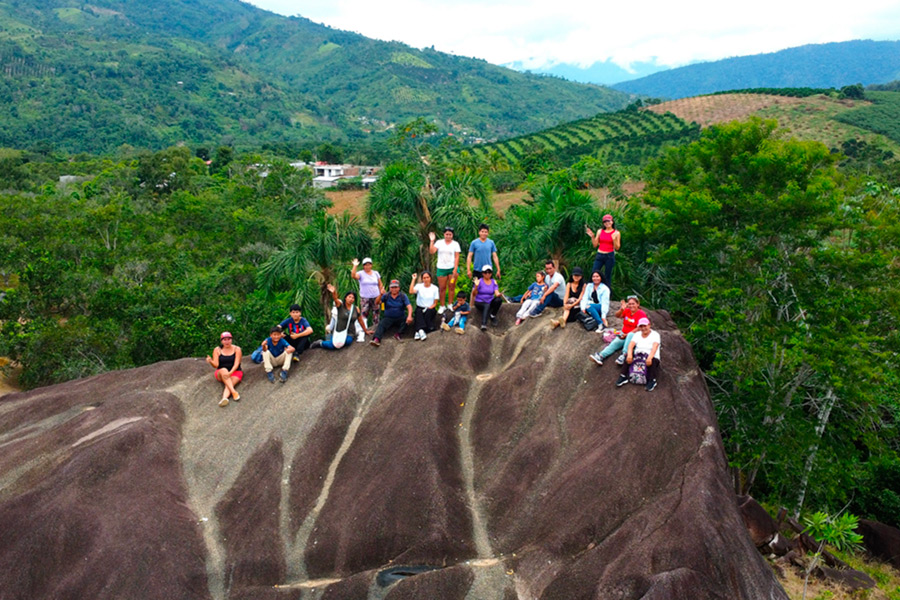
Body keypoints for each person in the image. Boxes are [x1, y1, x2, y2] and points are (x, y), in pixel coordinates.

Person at [589, 295, 648, 366]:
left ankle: (624, 354)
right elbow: (617, 315)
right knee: (615, 343)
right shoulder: (627, 311)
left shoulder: (641, 314)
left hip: (634, 336)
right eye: (629, 304)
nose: (631, 306)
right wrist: (622, 309)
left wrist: (626, 335)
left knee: (630, 335)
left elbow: (640, 327)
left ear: (638, 304)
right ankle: (601, 356)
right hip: (624, 333)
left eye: (633, 304)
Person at [313, 285, 370, 350]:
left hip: (350, 333)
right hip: (339, 331)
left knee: (348, 341)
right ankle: (321, 343)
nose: (351, 299)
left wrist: (366, 331)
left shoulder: (356, 309)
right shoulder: (340, 306)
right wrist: (334, 292)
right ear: (345, 298)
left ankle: (325, 342)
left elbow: (360, 320)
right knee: (333, 346)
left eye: (353, 298)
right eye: (349, 297)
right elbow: (336, 300)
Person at [615, 317, 661, 392]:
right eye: (641, 326)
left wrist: (649, 358)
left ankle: (652, 380)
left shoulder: (655, 335)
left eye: (645, 326)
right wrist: (629, 354)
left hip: (650, 355)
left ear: (649, 325)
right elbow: (631, 345)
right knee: (627, 357)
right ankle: (623, 376)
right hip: (638, 355)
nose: (643, 328)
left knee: (653, 361)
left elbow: (655, 347)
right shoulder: (637, 334)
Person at [370, 279, 413, 346]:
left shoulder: (403, 296)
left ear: (399, 288)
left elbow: (409, 306)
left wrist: (409, 316)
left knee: (407, 320)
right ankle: (377, 339)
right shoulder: (386, 296)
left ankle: (398, 334)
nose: (394, 289)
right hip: (388, 318)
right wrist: (381, 294)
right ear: (390, 288)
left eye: (395, 287)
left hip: (400, 317)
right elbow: (377, 302)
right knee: (381, 324)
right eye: (392, 287)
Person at [351, 257, 385, 343]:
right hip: (365, 297)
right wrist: (355, 266)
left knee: (376, 314)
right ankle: (363, 331)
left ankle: (377, 330)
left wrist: (382, 292)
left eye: (369, 264)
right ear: (363, 266)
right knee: (364, 314)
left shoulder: (375, 273)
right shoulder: (361, 273)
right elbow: (353, 275)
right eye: (365, 265)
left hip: (376, 296)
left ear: (371, 265)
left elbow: (380, 284)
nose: (367, 266)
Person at [586, 214, 620, 294]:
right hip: (600, 254)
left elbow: (617, 247)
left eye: (608, 221)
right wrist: (592, 236)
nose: (607, 223)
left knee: (607, 275)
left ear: (612, 222)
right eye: (605, 222)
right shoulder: (600, 231)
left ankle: (606, 294)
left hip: (609, 255)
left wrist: (614, 239)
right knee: (594, 273)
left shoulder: (616, 233)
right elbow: (595, 245)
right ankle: (591, 292)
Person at [206, 331, 242, 407]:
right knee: (224, 370)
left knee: (229, 384)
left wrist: (230, 373)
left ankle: (224, 398)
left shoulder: (237, 349)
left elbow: (237, 364)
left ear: (231, 340)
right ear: (221, 341)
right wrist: (210, 361)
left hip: (235, 372)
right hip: (221, 372)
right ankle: (234, 392)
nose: (227, 341)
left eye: (229, 339)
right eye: (224, 340)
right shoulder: (217, 350)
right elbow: (216, 365)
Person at [429, 228, 461, 313]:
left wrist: (455, 268)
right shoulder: (439, 243)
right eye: (447, 234)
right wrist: (432, 241)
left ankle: (450, 304)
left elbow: (457, 256)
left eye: (450, 234)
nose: (448, 236)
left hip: (452, 268)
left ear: (452, 235)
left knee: (451, 286)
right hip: (441, 268)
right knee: (442, 288)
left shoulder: (455, 244)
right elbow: (432, 251)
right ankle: (442, 306)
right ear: (444, 234)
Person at [410, 270, 440, 340]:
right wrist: (413, 279)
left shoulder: (435, 288)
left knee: (428, 313)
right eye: (424, 278)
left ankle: (419, 330)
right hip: (420, 307)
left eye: (427, 277)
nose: (426, 279)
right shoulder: (419, 286)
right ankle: (420, 330)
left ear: (430, 278)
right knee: (419, 312)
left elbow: (435, 303)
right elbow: (411, 291)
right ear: (422, 279)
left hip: (430, 308)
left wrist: (429, 308)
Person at [470, 265, 503, 331]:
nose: (487, 274)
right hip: (480, 301)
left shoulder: (493, 282)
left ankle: (492, 315)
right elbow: (474, 294)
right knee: (486, 305)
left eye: (489, 272)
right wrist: (476, 286)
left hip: (490, 301)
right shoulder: (479, 281)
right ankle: (483, 324)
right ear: (483, 273)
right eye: (485, 272)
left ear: (491, 273)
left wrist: (499, 294)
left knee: (498, 300)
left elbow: (496, 292)